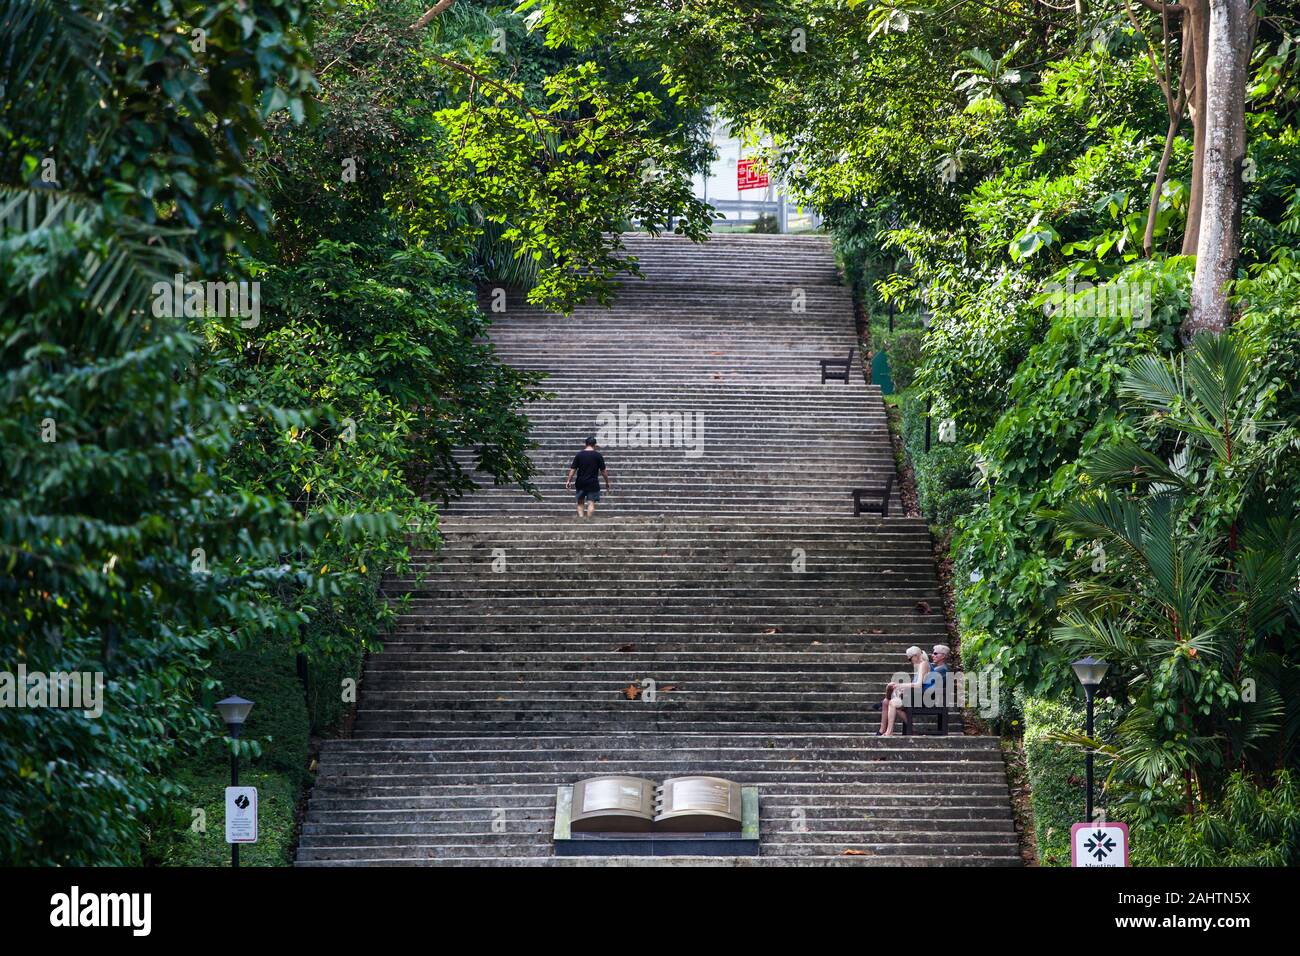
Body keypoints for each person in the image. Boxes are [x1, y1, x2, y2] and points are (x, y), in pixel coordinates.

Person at [876, 646, 930, 736]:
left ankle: (889, 731)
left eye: (910, 659)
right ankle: (910, 731)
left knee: (893, 703)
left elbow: (918, 685)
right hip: (918, 695)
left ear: (916, 656)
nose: (910, 661)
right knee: (894, 702)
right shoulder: (921, 665)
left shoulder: (923, 664)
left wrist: (901, 685)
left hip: (922, 697)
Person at [565, 436, 610, 518]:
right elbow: (603, 471)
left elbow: (573, 469)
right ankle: (588, 520)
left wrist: (569, 480)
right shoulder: (598, 456)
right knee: (591, 502)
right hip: (593, 483)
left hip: (580, 482)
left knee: (580, 502)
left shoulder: (579, 455)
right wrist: (607, 482)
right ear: (595, 445)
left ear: (585, 444)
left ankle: (581, 519)